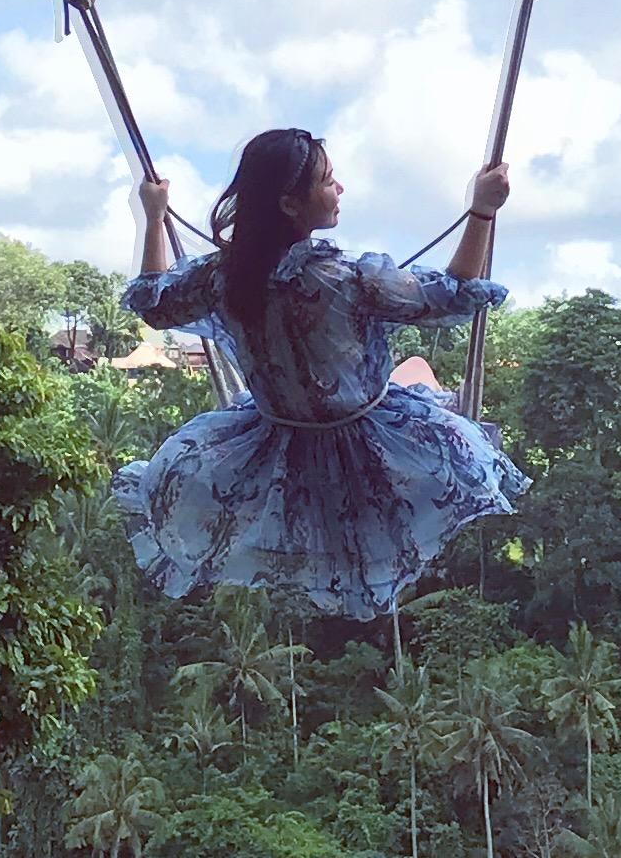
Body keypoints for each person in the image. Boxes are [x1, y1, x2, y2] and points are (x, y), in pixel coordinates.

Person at [112, 127, 530, 617]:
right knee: (418, 373)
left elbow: (152, 301)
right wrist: (481, 212)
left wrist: (155, 217)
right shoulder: (346, 280)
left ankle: (436, 397)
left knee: (412, 373)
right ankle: (445, 401)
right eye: (328, 181)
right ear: (291, 204)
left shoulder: (222, 277)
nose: (340, 190)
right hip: (367, 443)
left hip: (276, 439)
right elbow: (456, 294)